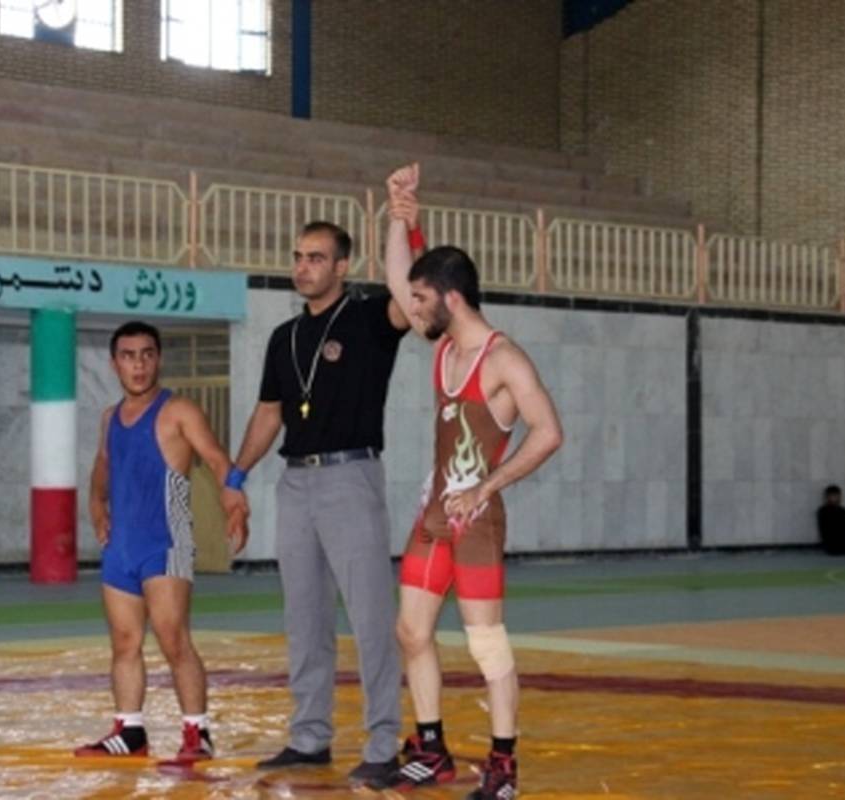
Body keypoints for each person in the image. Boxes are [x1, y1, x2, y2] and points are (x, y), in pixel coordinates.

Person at [376, 164, 563, 799]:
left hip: (477, 522)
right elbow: (399, 281)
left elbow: (548, 432)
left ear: (451, 299)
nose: (411, 309)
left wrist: (487, 487)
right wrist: (399, 214)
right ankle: (432, 748)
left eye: (422, 299)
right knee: (411, 632)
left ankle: (503, 766)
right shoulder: (443, 348)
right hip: (434, 517)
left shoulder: (504, 360)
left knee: (486, 645)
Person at [226, 220, 410, 786]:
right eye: (298, 256)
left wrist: (401, 219)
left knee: (371, 618)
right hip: (296, 483)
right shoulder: (284, 337)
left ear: (342, 266)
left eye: (316, 258)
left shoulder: (369, 319)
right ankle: (309, 737)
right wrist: (235, 476)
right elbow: (269, 413)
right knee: (303, 617)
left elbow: (408, 297)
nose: (303, 267)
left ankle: (384, 742)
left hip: (350, 477)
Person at [74, 321, 249, 763]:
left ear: (159, 360)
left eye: (147, 355)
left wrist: (234, 497)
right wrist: (96, 504)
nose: (139, 365)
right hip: (121, 548)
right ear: (114, 364)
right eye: (129, 356)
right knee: (124, 642)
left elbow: (215, 458)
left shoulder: (178, 411)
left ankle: (197, 733)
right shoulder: (110, 418)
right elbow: (102, 464)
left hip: (165, 544)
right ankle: (130, 731)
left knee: (173, 639)